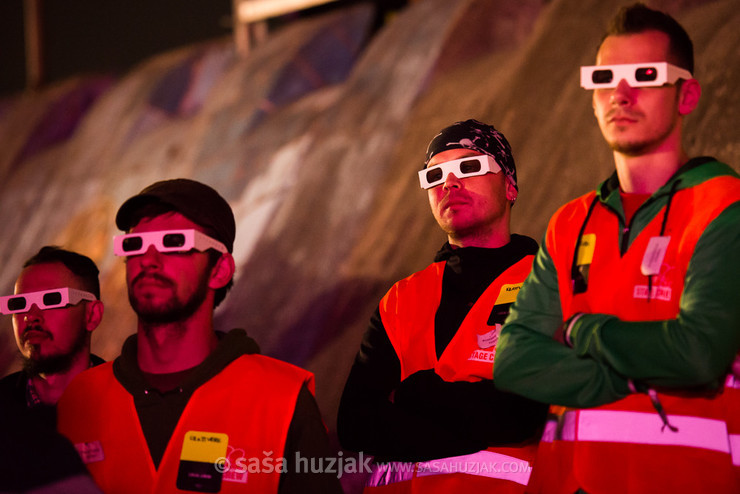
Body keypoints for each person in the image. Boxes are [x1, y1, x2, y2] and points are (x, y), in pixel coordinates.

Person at [494, 4, 740, 493]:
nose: (621, 93)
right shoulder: (570, 221)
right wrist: (628, 376)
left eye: (644, 75)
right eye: (605, 77)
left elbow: (698, 354)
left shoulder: (723, 204)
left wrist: (584, 328)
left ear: (686, 94)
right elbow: (514, 358)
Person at [57, 179, 343, 494]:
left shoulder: (282, 400)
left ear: (220, 270)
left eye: (174, 242)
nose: (149, 260)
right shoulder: (80, 398)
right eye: (134, 245)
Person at [338, 120, 548, 492]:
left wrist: (413, 395)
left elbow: (526, 409)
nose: (449, 183)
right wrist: (472, 410)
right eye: (435, 175)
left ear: (510, 185)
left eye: (469, 167)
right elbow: (355, 422)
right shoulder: (401, 298)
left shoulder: (549, 281)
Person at [0, 246, 105, 493]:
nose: (31, 316)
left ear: (92, 315)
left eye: (51, 300)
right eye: (19, 304)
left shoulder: (127, 403)